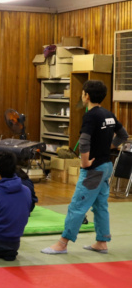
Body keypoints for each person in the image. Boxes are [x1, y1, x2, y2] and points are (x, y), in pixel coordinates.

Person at [42, 80, 128, 255]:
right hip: (106, 168)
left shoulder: (90, 115)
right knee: (100, 205)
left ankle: (62, 243)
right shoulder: (109, 114)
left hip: (94, 169)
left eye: (82, 93)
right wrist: (110, 146)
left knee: (77, 206)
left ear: (86, 96)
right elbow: (123, 135)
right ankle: (102, 242)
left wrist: (85, 162)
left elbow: (84, 140)